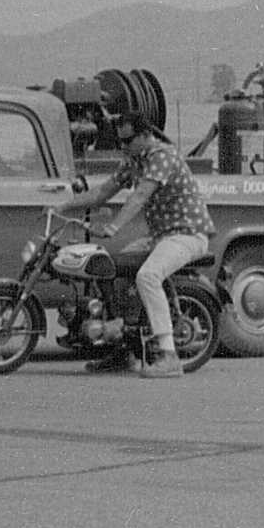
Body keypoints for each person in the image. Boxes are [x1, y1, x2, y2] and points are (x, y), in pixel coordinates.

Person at [57, 109, 215, 378]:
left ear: (145, 135)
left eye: (128, 141)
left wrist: (114, 226)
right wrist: (61, 206)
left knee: (148, 276)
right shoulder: (134, 160)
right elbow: (103, 192)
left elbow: (140, 196)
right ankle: (124, 352)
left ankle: (169, 356)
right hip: (161, 237)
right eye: (120, 142)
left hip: (187, 234)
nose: (123, 147)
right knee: (112, 270)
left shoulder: (162, 157)